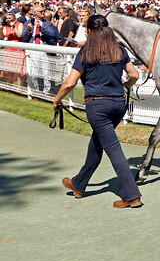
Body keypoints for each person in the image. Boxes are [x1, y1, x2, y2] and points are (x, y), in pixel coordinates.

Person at [53, 14, 142, 208]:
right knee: (98, 143)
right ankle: (79, 183)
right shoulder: (119, 49)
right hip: (119, 104)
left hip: (97, 105)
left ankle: (131, 195)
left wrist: (56, 99)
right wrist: (127, 84)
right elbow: (134, 74)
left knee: (113, 149)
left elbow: (70, 83)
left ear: (91, 31)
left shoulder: (86, 52)